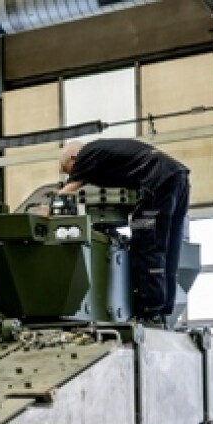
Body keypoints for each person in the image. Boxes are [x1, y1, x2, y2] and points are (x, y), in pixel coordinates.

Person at [56, 139, 190, 327]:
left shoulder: (86, 154)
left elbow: (67, 192)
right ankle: (163, 309)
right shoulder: (101, 152)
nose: (68, 173)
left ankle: (150, 313)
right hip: (177, 177)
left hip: (157, 180)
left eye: (65, 168)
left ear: (73, 158)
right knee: (168, 246)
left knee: (146, 242)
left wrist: (47, 207)